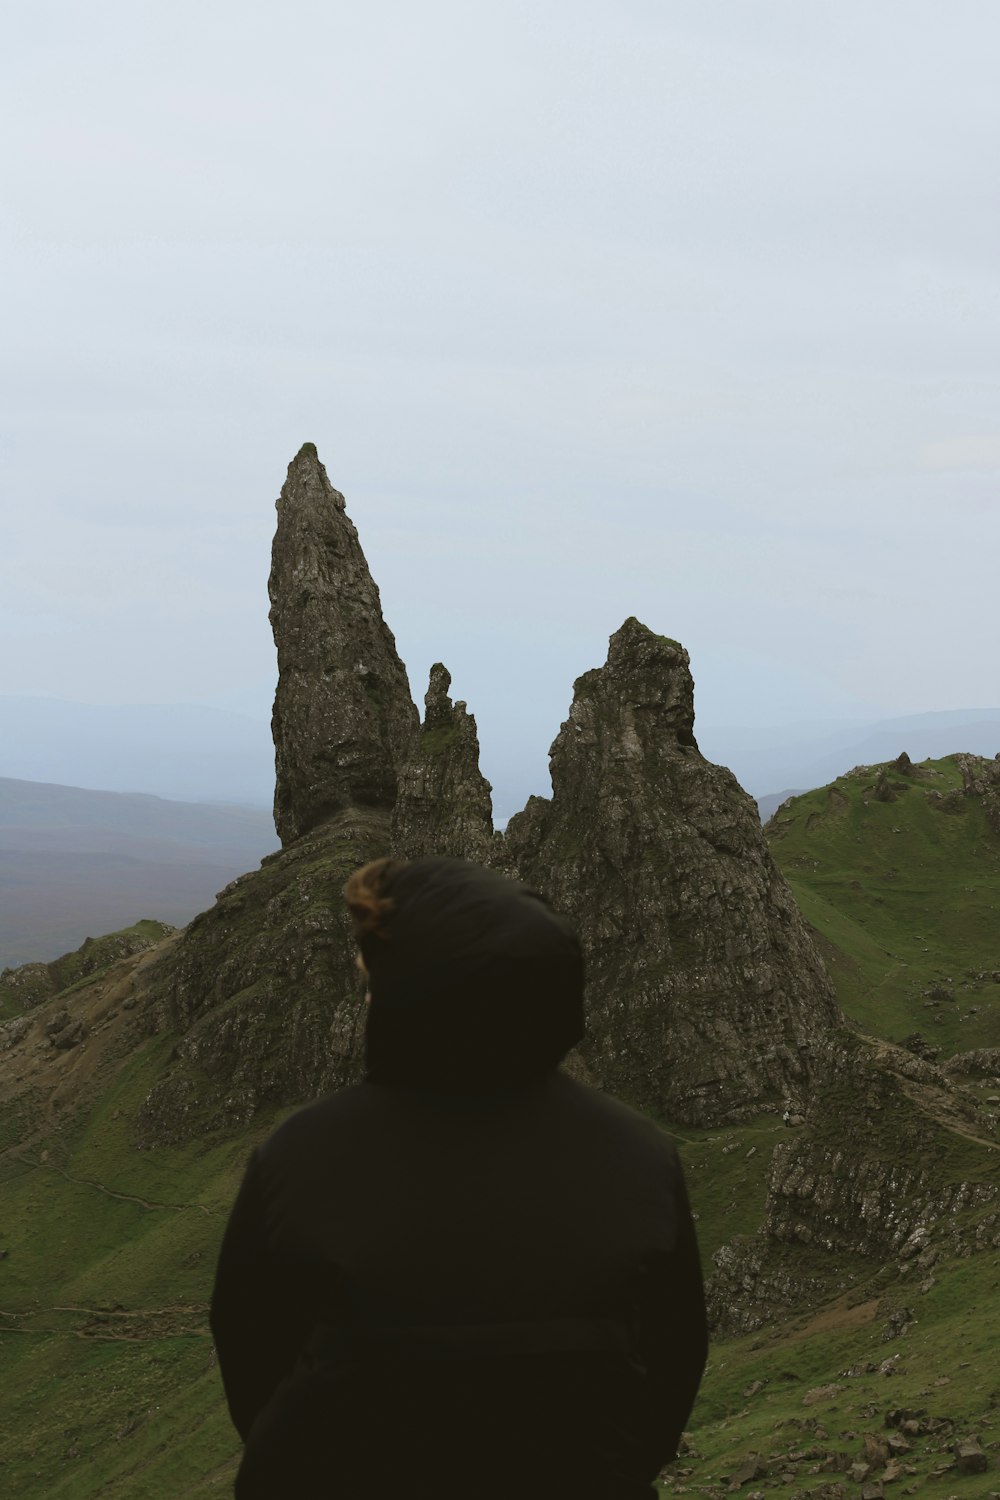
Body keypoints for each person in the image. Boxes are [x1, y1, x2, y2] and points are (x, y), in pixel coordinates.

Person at [210, 856, 708, 1499]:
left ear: (415, 997)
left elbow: (250, 1348)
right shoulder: (640, 1155)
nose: (367, 993)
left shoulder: (302, 1156)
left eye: (375, 978)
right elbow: (674, 1358)